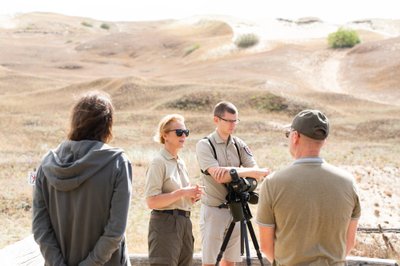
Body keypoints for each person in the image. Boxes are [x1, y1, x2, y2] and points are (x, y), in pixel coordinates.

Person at [32, 91, 132, 266]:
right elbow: (115, 232)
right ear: (107, 123)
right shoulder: (117, 163)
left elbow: (40, 228)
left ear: (75, 120)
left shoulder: (46, 165)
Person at [256, 109, 361, 265]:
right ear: (324, 141)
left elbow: (266, 247)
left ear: (295, 136)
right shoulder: (348, 182)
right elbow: (349, 243)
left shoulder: (272, 183)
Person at [196, 101, 270, 266]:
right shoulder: (205, 145)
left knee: (230, 263)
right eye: (228, 120)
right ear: (216, 120)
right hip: (213, 211)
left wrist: (233, 173)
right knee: (210, 262)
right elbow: (219, 176)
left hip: (236, 210)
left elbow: (255, 172)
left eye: (235, 121)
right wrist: (243, 172)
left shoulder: (239, 144)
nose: (233, 125)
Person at [145, 114, 203, 266]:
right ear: (165, 135)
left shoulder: (181, 162)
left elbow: (181, 197)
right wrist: (183, 192)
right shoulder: (158, 162)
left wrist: (193, 196)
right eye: (179, 132)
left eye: (186, 132)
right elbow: (151, 201)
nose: (183, 135)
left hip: (185, 222)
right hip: (165, 223)